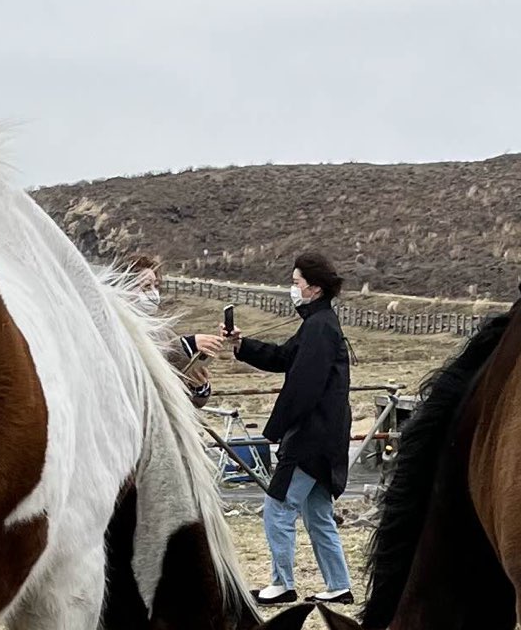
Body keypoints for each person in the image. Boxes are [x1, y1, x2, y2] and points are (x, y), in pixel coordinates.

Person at [200, 249, 353, 606]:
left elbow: (303, 386)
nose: (292, 288)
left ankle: (282, 583)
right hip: (326, 439)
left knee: (277, 507)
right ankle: (338, 584)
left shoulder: (319, 328)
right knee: (317, 513)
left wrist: (274, 430)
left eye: (296, 282)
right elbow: (284, 358)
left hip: (310, 439)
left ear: (314, 288)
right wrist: (243, 345)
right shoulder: (319, 325)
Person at [130, 254, 213, 408]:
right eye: (146, 287)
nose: (154, 293)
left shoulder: (163, 331)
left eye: (156, 286)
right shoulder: (111, 330)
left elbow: (190, 400)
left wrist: (199, 388)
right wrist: (186, 346)